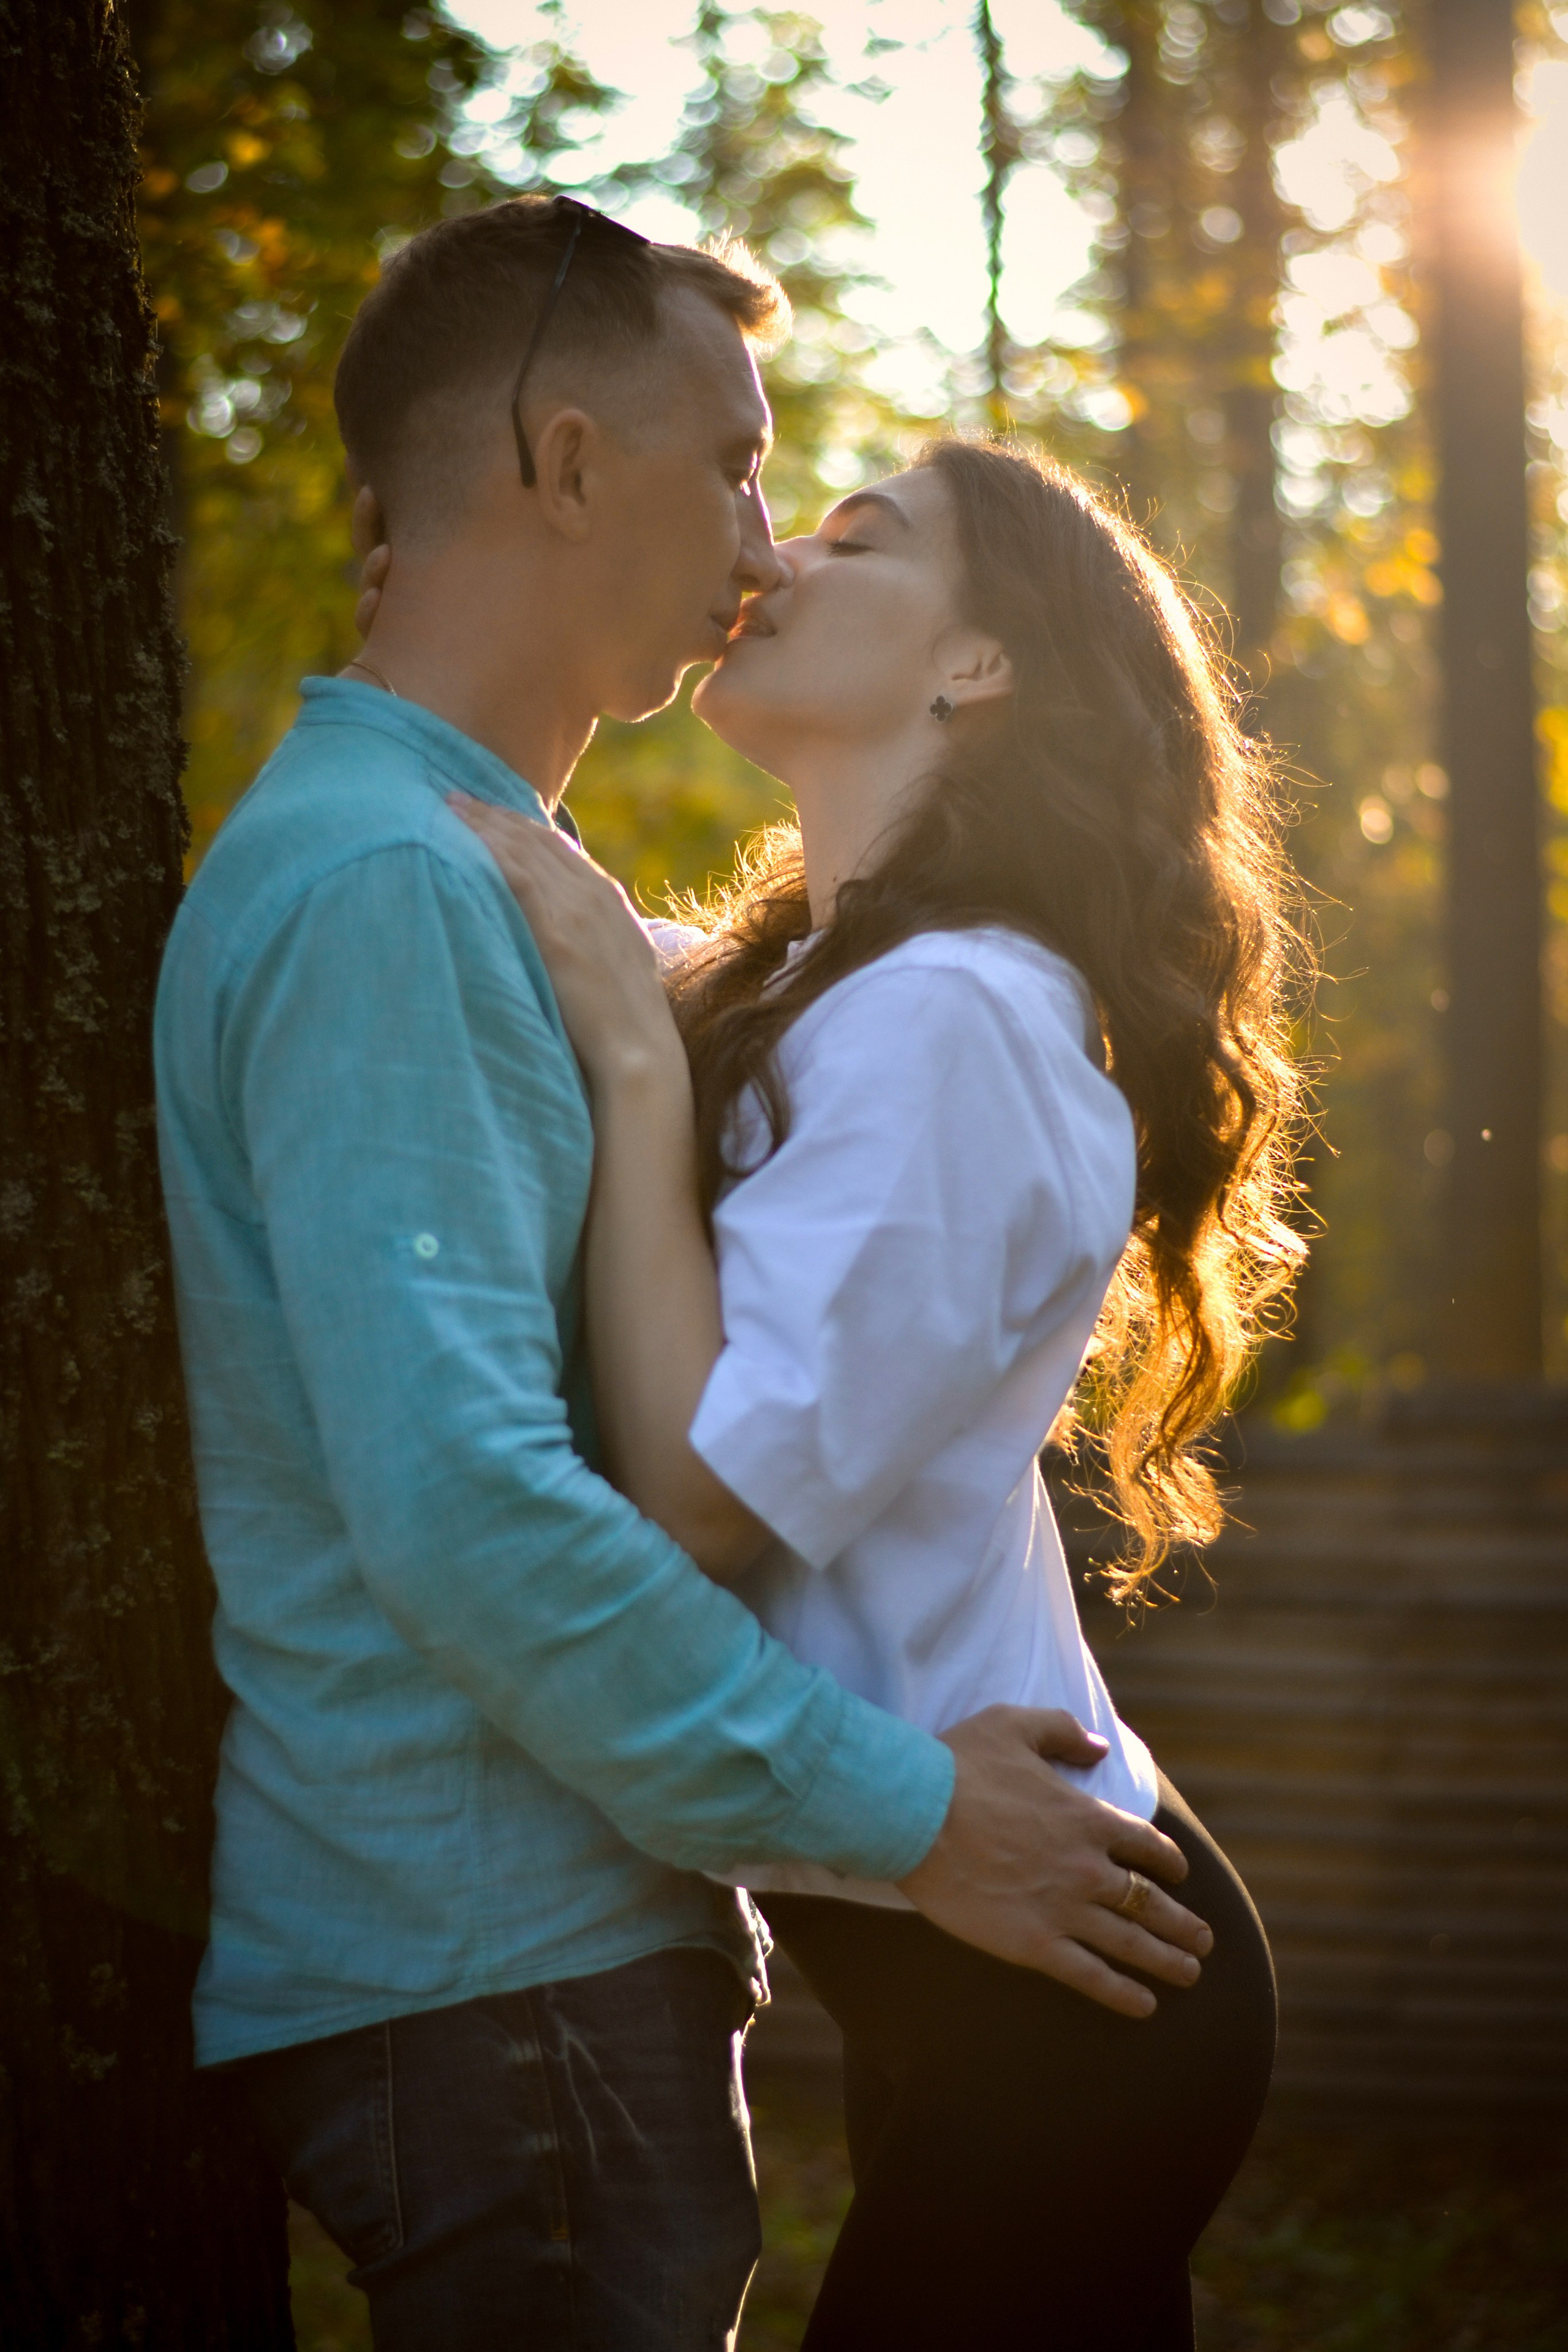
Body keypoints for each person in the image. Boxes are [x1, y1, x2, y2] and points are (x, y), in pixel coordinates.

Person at [153, 195, 1212, 2350]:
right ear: (565, 465)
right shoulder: (396, 887)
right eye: (738, 466)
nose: (760, 544)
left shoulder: (496, 883)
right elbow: (471, 1510)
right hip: (493, 1966)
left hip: (571, 1962)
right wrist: (910, 1819)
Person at [456, 434, 1302, 2349]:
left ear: (977, 665)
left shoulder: (960, 1018)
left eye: (858, 539)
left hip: (1075, 1991)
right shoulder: (836, 986)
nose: (777, 562)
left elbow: (702, 1500)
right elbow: (561, 936)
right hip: (990, 1952)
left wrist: (638, 1072)